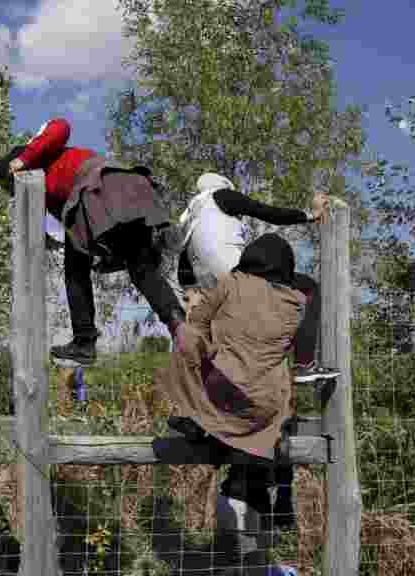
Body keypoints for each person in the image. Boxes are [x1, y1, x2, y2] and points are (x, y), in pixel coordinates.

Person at [159, 233, 308, 567]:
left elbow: (193, 330)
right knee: (259, 462)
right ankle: (266, 527)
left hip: (225, 396)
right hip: (266, 409)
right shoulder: (296, 299)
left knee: (191, 348)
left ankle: (194, 420)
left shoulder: (230, 283)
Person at [0, 117, 186, 365]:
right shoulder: (46, 183)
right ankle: (177, 323)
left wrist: (23, 159)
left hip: (101, 190)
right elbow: (45, 215)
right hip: (127, 188)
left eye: (10, 185)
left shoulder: (42, 154)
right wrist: (43, 236)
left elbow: (60, 126)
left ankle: (84, 342)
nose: (13, 190)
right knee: (140, 267)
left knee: (75, 270)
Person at [172, 172, 340, 384]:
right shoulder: (221, 196)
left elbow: (184, 263)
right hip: (237, 274)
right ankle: (304, 364)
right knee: (308, 288)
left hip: (212, 287)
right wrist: (310, 215)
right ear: (225, 187)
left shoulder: (190, 216)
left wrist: (189, 291)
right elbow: (266, 212)